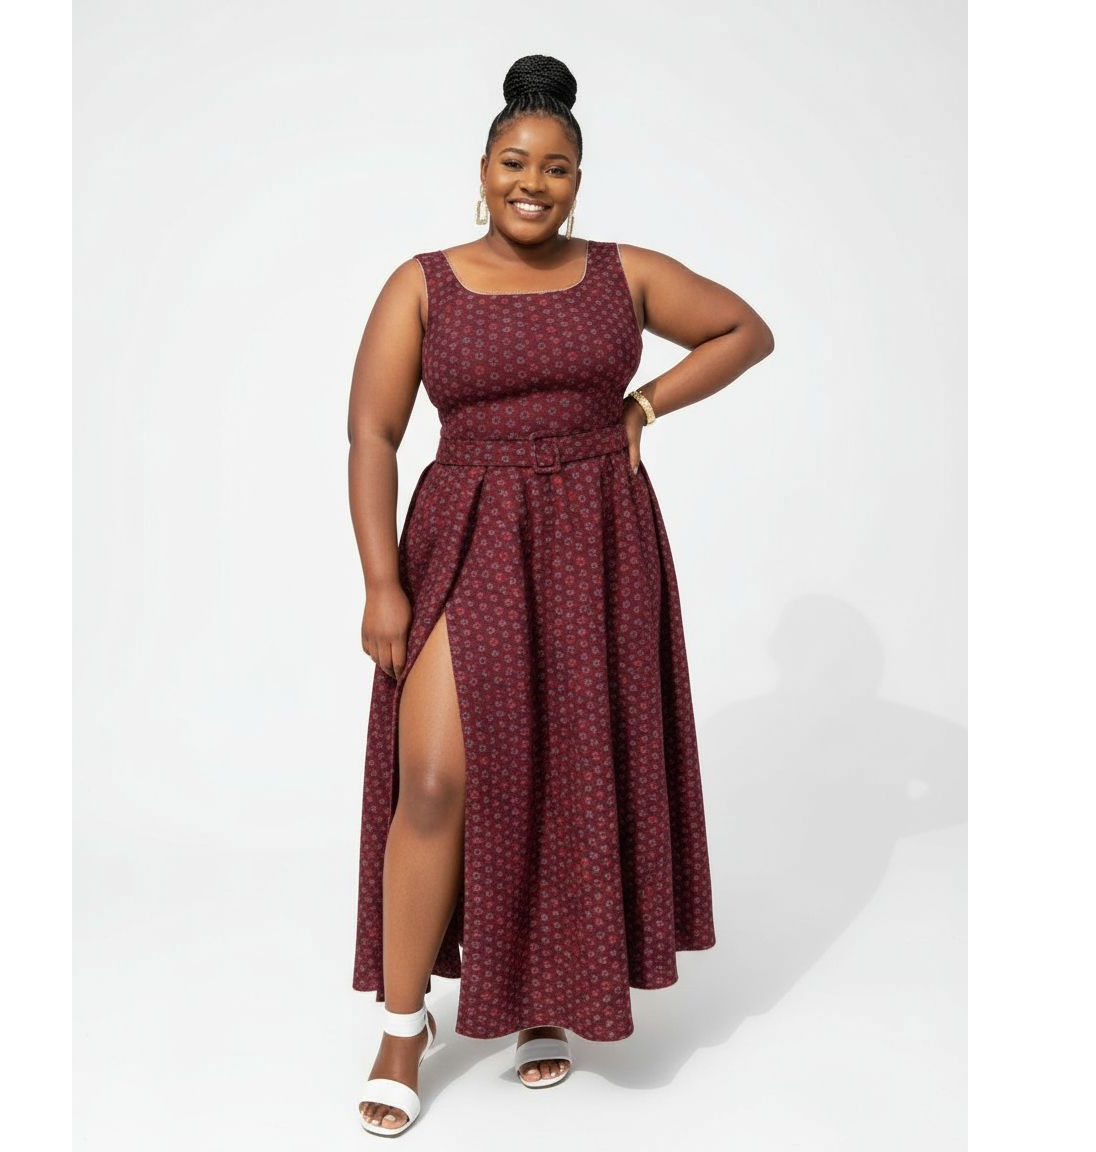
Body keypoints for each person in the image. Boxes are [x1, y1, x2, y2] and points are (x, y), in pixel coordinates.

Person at [348, 53, 775, 1136]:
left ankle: (545, 997)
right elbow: (374, 433)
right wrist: (383, 583)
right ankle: (404, 1025)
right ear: (482, 169)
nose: (532, 183)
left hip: (595, 540)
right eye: (513, 161)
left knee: (565, 769)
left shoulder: (622, 273)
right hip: (469, 534)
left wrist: (643, 406)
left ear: (579, 179)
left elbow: (744, 330)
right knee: (435, 780)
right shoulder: (423, 283)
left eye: (555, 167)